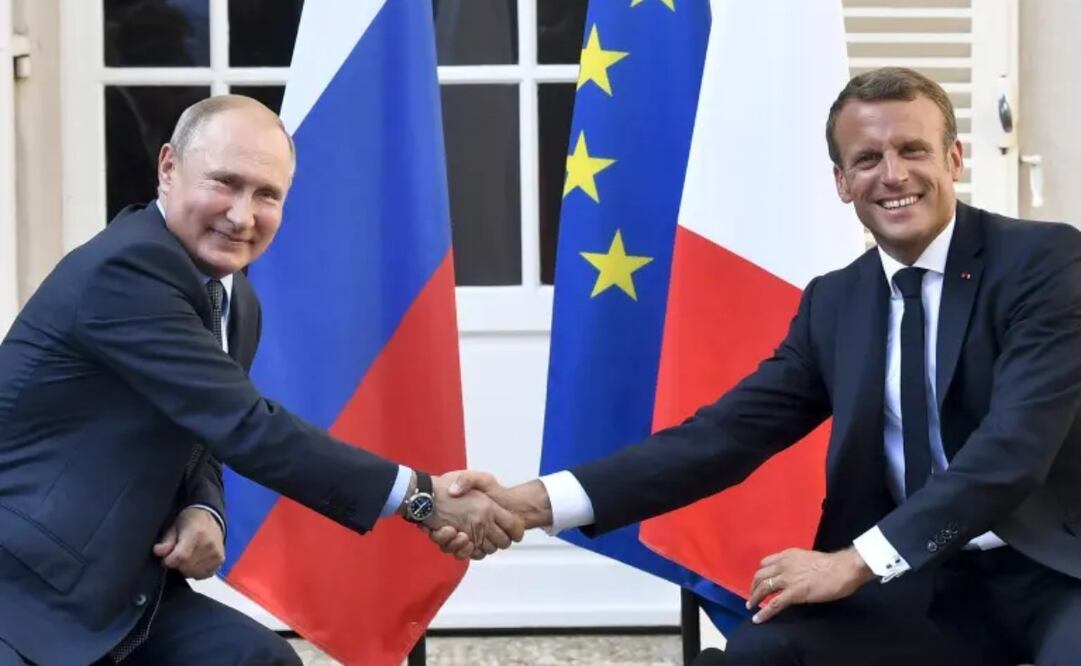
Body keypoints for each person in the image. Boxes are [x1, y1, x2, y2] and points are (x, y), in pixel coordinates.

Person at [433, 67, 1081, 665]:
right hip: (913, 585)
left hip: (1051, 571)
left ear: (953, 159)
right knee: (760, 655)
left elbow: (1010, 452)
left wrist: (851, 561)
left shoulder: (1043, 264)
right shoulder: (835, 302)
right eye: (866, 159)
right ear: (840, 182)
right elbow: (721, 437)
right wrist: (529, 502)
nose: (892, 174)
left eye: (911, 150)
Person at [0, 95, 522, 666]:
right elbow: (246, 426)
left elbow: (205, 431)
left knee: (257, 659)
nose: (243, 215)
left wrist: (206, 508)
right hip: (26, 589)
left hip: (117, 590)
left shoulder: (234, 298)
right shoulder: (126, 272)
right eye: (225, 182)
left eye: (266, 194)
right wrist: (422, 499)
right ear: (168, 168)